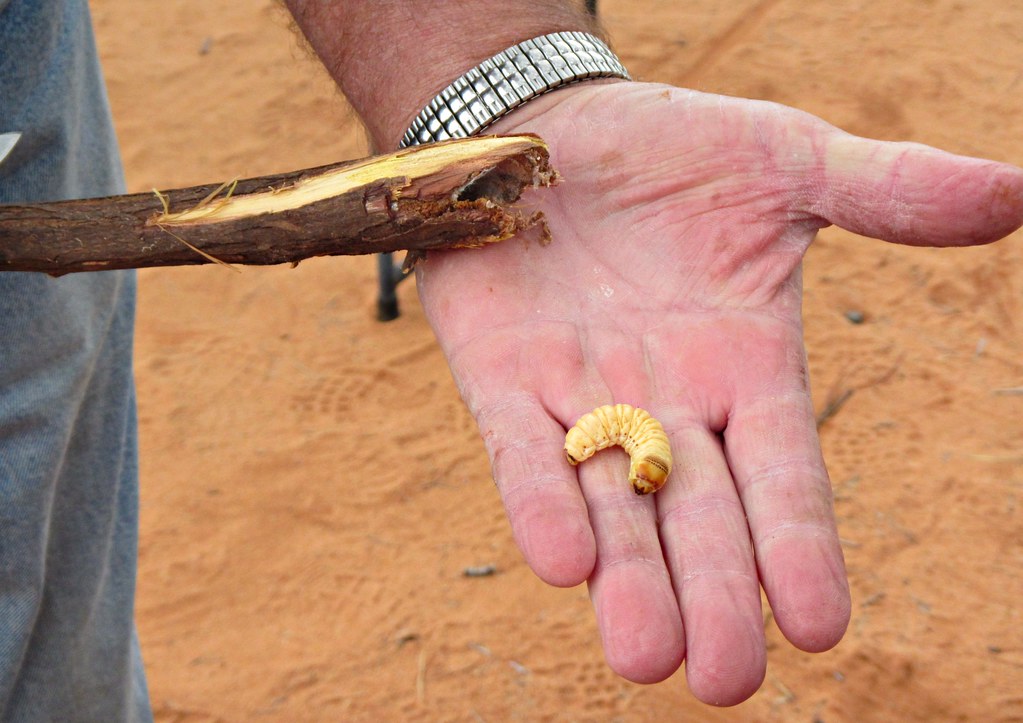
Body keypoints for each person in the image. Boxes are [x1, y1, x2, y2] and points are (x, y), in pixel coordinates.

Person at [1, 0, 1021, 718]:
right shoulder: (620, 436)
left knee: (54, 590)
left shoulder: (621, 433)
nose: (628, 454)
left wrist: (489, 77)